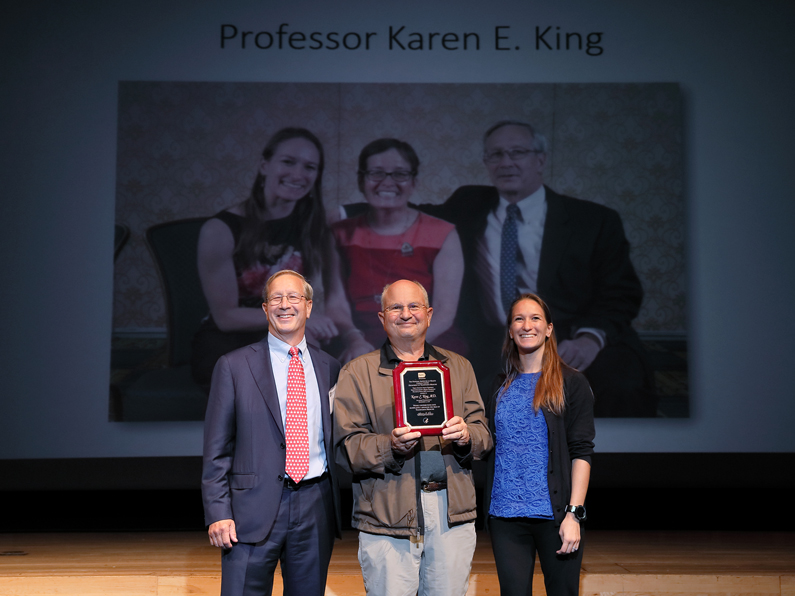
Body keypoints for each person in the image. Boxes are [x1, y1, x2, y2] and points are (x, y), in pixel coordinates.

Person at [423, 120, 655, 417]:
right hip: (496, 339)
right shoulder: (467, 205)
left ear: (540, 159)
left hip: (571, 335)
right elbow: (406, 211)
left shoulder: (593, 221)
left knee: (622, 387)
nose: (506, 162)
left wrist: (589, 340)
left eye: (517, 152)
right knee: (470, 399)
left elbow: (620, 292)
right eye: (496, 155)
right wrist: (343, 214)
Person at [333, 279, 492, 596]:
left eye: (414, 306)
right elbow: (346, 447)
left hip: (450, 512)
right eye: (395, 307)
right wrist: (388, 446)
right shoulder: (356, 372)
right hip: (388, 516)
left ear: (429, 314)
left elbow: (483, 434)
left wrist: (466, 435)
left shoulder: (458, 367)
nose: (405, 314)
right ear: (382, 317)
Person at [192, 127, 372, 388]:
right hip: (232, 336)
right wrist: (296, 323)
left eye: (310, 167)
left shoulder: (317, 226)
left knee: (355, 369)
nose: (298, 174)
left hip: (291, 329)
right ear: (265, 165)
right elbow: (226, 316)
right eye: (288, 162)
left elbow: (335, 298)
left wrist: (355, 337)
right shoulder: (220, 229)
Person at [202, 270, 342, 596]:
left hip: (314, 505)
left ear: (308, 307)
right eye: (275, 298)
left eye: (293, 297)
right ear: (265, 309)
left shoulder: (330, 367)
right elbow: (216, 449)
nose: (284, 305)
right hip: (249, 510)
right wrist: (218, 512)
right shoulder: (233, 366)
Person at [484, 293, 595, 596]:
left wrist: (574, 514)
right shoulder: (499, 384)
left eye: (535, 318)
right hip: (505, 516)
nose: (526, 325)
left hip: (556, 517)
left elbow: (581, 452)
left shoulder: (572, 383)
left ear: (548, 328)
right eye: (519, 318)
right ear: (510, 330)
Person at [332, 138, 465, 353]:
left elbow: (444, 312)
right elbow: (335, 303)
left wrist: (402, 347)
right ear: (361, 181)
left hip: (426, 335)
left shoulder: (443, 233)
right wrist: (353, 339)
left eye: (400, 174)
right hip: (359, 336)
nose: (387, 182)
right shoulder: (340, 233)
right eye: (376, 173)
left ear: (413, 182)